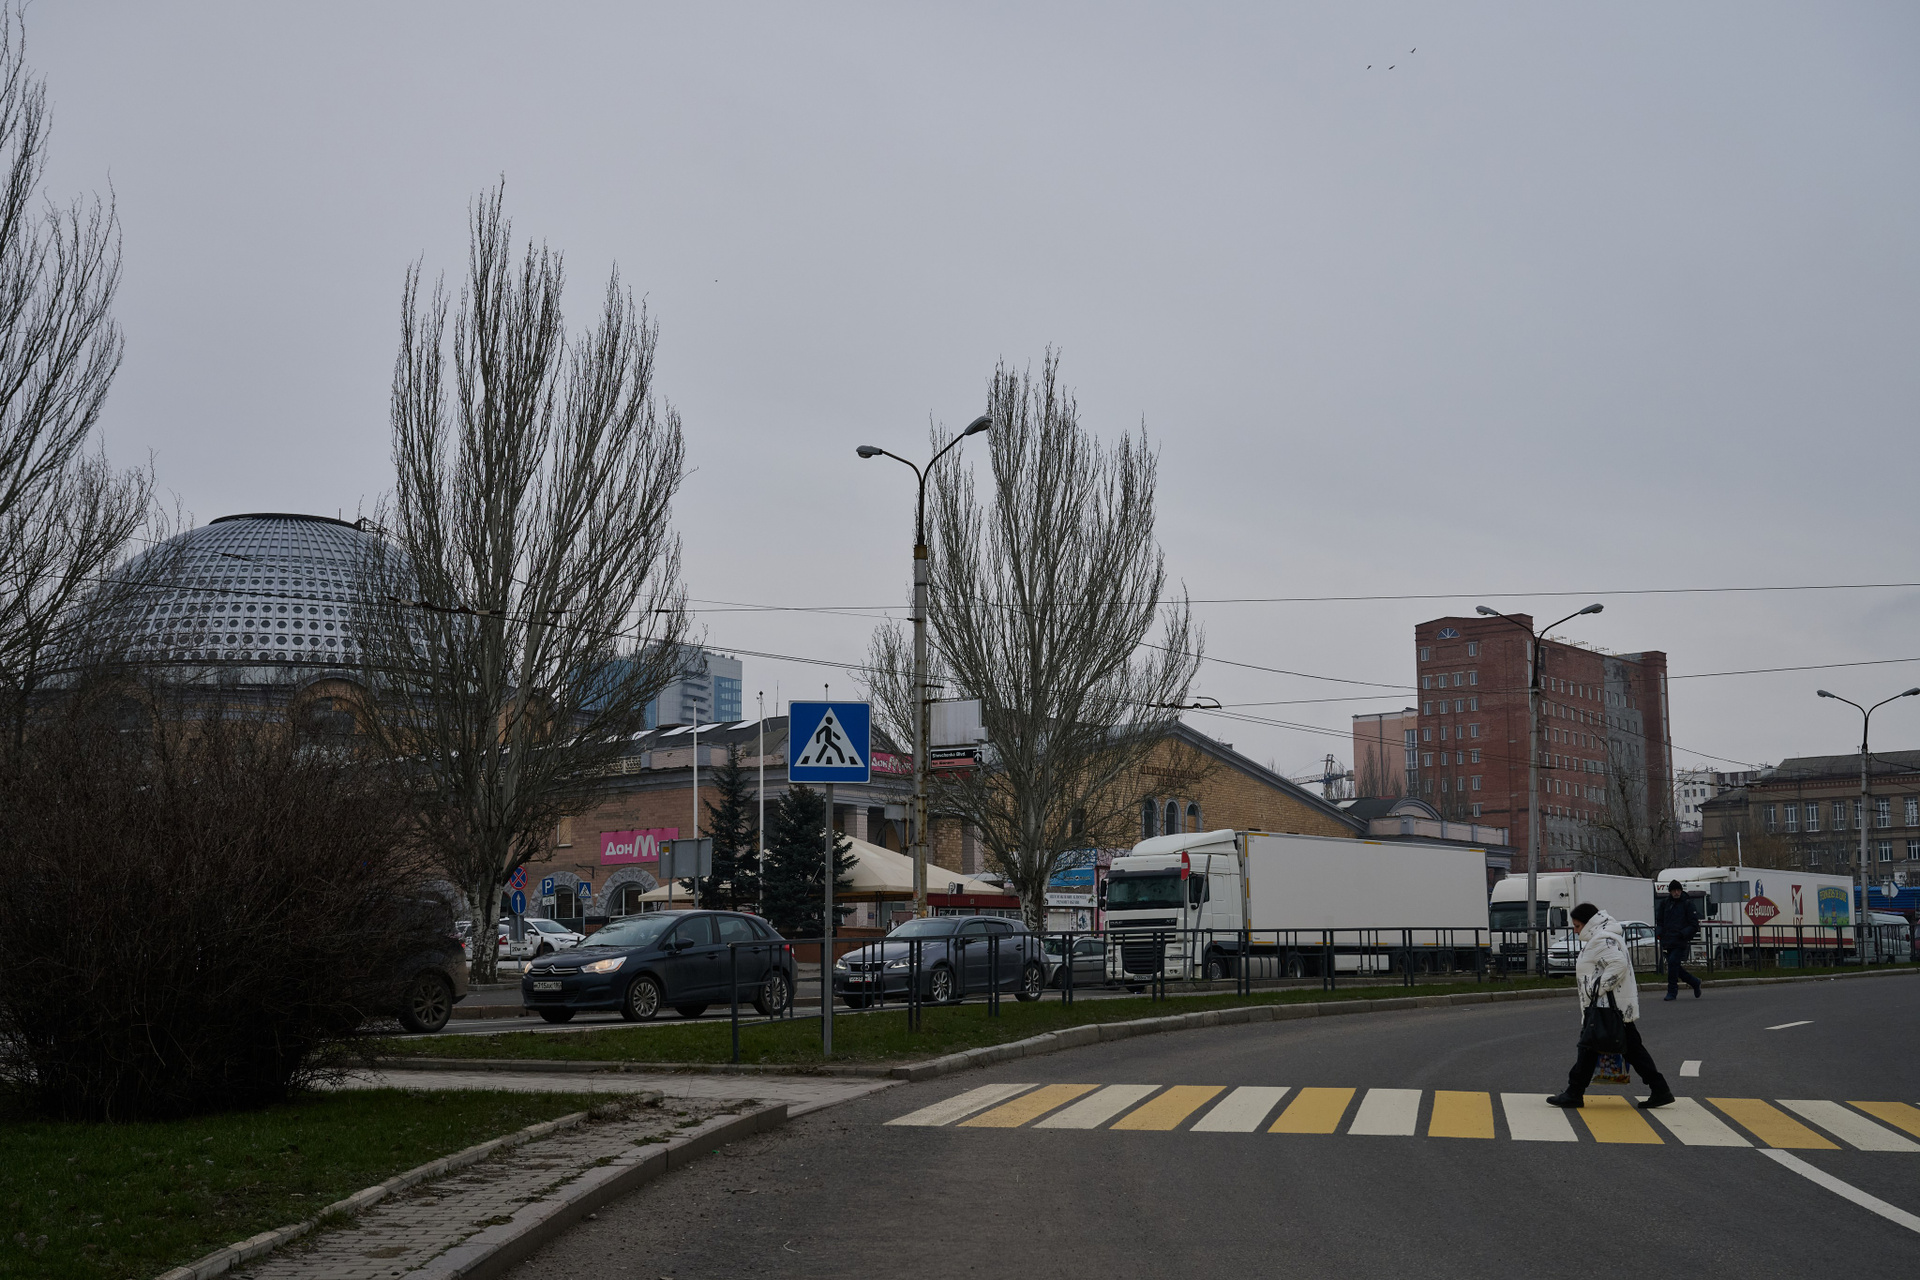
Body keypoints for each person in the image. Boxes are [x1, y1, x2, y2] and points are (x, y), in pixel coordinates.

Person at [1547, 902, 1674, 1110]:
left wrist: (1596, 988)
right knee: (1613, 1049)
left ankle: (1574, 1093)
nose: (1575, 931)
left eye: (1577, 926)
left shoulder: (1602, 939)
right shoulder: (1603, 936)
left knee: (1594, 1047)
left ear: (1588, 923)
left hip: (1606, 1008)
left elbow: (1618, 964)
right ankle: (1659, 1089)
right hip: (1610, 1008)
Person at [1654, 879, 1702, 1000]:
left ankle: (1672, 991)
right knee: (1674, 966)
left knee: (1673, 963)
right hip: (1668, 941)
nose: (1676, 892)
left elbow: (1694, 924)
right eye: (1674, 890)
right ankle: (1694, 982)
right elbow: (1660, 921)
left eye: (1678, 890)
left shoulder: (1687, 904)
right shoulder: (1665, 904)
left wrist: (1683, 933)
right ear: (1670, 891)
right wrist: (1659, 932)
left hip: (1680, 941)